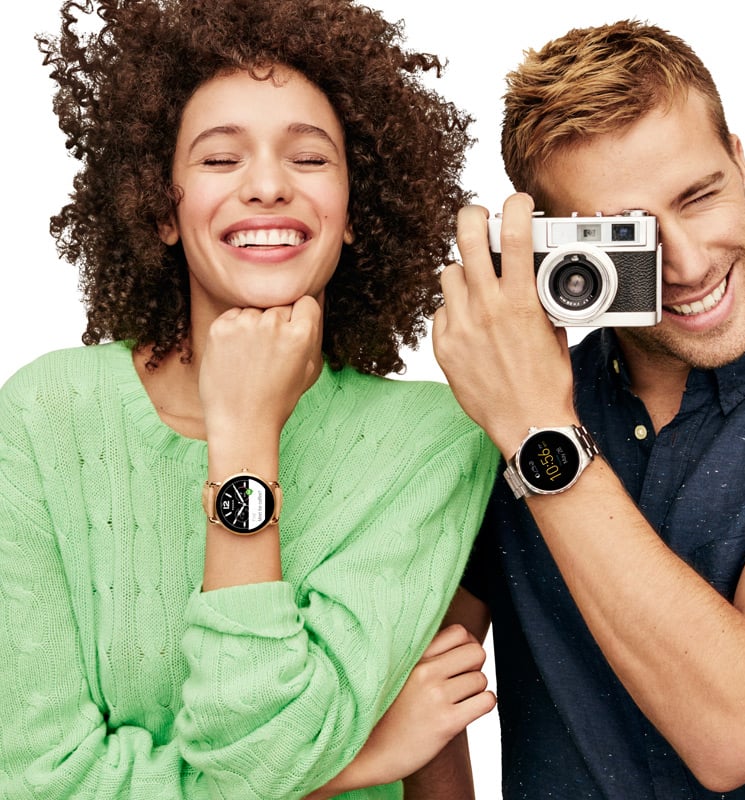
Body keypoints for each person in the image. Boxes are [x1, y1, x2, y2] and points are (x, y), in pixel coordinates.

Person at [0, 1, 500, 798]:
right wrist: (361, 762)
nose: (267, 187)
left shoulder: (438, 442)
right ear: (164, 208)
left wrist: (243, 438)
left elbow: (256, 754)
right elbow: (38, 782)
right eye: (220, 160)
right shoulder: (39, 416)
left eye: (309, 160)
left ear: (352, 213)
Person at [427, 18, 745, 799]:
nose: (690, 264)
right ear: (561, 242)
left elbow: (742, 728)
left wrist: (541, 437)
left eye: (700, 196)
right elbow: (422, 679)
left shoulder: (525, 416)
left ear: (743, 165)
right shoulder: (508, 406)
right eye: (629, 236)